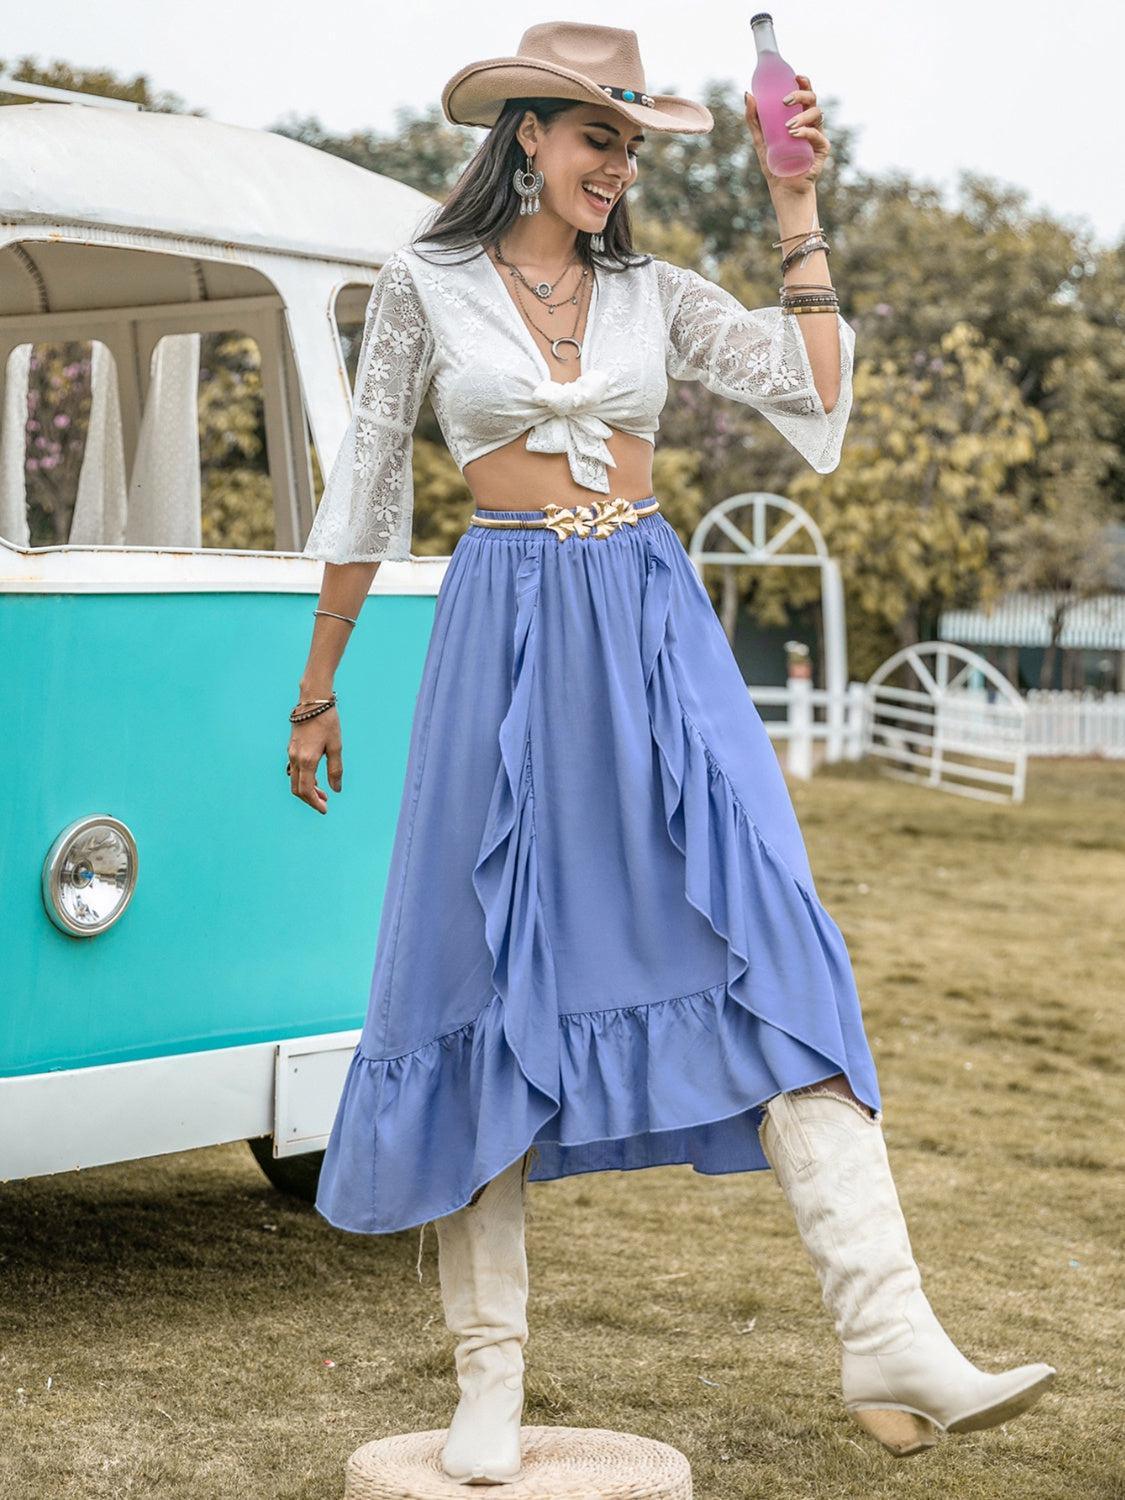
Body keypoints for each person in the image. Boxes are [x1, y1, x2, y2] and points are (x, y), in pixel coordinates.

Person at [288, 21, 1055, 1483]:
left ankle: (889, 1334)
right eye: (597, 137)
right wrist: (315, 689)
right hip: (502, 633)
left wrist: (794, 206)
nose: (616, 166)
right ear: (526, 134)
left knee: (778, 937)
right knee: (483, 973)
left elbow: (810, 389)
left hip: (650, 626)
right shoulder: (423, 284)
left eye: (631, 145)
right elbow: (367, 485)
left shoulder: (653, 294)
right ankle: (488, 1382)